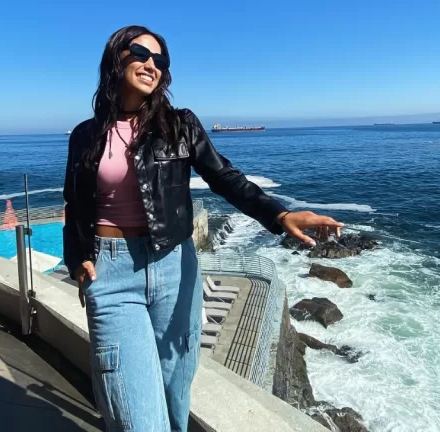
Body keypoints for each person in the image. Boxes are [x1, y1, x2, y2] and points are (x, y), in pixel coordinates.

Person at [63, 25, 343, 432]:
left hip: (175, 267)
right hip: (112, 274)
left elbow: (224, 177)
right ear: (115, 57)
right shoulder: (85, 136)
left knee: (175, 395)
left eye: (160, 60)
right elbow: (74, 203)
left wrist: (279, 216)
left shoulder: (179, 125)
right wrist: (77, 257)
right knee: (137, 419)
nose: (151, 64)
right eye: (140, 53)